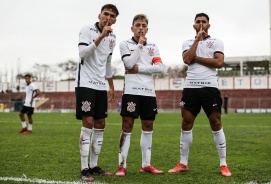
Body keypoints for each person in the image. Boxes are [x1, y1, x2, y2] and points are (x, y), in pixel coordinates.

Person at [168, 13, 232, 177]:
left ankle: (223, 164)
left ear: (209, 25)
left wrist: (196, 58)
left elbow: (218, 62)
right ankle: (183, 163)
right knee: (186, 122)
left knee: (216, 123)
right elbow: (187, 59)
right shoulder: (187, 42)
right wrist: (197, 40)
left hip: (209, 87)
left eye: (204, 22)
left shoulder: (217, 42)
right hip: (190, 88)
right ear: (194, 25)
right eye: (198, 22)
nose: (201, 24)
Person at [115, 14, 164, 176]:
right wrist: (139, 46)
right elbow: (128, 64)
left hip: (149, 92)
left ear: (147, 28)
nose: (141, 28)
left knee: (148, 127)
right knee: (127, 127)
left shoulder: (153, 46)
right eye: (137, 25)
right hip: (131, 92)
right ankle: (122, 165)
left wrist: (140, 69)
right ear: (132, 28)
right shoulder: (125, 44)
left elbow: (160, 67)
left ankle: (146, 164)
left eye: (143, 25)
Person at [75, 4, 119, 182]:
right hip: (85, 83)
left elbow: (107, 63)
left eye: (112, 16)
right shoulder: (86, 30)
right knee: (89, 122)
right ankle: (84, 168)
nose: (108, 18)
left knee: (100, 123)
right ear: (99, 15)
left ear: (115, 20)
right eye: (106, 14)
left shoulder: (113, 37)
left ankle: (94, 165)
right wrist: (101, 36)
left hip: (101, 85)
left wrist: (111, 86)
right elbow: (83, 53)